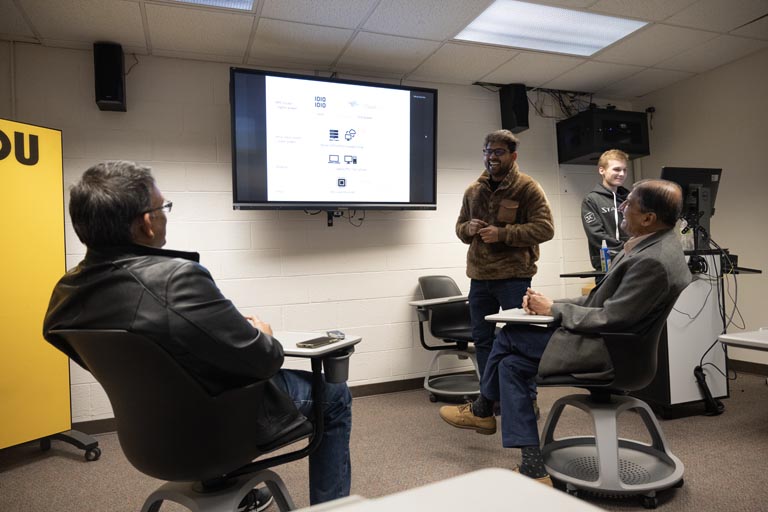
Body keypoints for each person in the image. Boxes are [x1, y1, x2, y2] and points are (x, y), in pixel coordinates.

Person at [42, 161, 352, 509]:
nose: (165, 215)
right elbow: (265, 360)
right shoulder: (176, 279)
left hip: (147, 438)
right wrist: (262, 333)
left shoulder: (67, 292)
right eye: (163, 208)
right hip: (216, 429)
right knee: (333, 395)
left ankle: (242, 493)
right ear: (146, 223)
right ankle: (332, 507)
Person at [440, 179, 691, 485]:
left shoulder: (652, 260)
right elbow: (601, 302)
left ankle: (482, 408)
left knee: (507, 336)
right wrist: (550, 304)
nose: (622, 208)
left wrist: (554, 311)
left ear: (649, 218)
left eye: (629, 205)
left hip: (612, 355)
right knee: (510, 365)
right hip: (609, 343)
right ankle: (532, 467)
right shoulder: (652, 246)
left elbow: (613, 317)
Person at [456, 129, 554, 410]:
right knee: (483, 340)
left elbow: (545, 228)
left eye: (498, 152)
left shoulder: (527, 187)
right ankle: (491, 399)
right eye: (487, 151)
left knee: (521, 339)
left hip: (514, 276)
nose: (491, 157)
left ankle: (527, 400)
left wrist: (503, 234)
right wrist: (468, 228)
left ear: (513, 155)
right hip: (479, 277)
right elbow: (460, 228)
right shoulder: (473, 190)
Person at [581, 149, 631, 271]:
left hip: (632, 261)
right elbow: (596, 234)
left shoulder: (631, 198)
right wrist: (627, 247)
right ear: (602, 170)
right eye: (617, 169)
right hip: (607, 265)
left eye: (624, 170)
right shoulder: (591, 200)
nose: (622, 174)